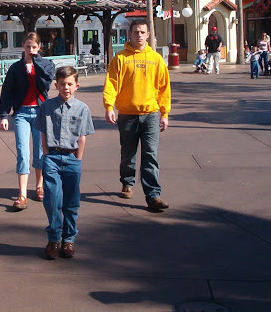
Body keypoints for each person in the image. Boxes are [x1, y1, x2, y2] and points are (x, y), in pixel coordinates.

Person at [103, 19, 171, 211]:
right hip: (127, 114)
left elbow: (164, 88)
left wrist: (164, 113)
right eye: (136, 32)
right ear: (130, 34)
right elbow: (111, 83)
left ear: (148, 35)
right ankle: (127, 182)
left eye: (142, 32)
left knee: (150, 154)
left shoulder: (156, 59)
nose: (139, 35)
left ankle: (153, 195)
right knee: (128, 153)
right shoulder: (120, 58)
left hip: (151, 114)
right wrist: (109, 107)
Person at [34, 66, 94, 260]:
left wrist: (78, 159)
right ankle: (54, 238)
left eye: (69, 84)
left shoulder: (82, 108)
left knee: (71, 202)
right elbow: (43, 132)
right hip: (52, 157)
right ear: (56, 85)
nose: (65, 88)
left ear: (76, 86)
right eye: (62, 84)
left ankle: (69, 238)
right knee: (52, 199)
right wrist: (46, 153)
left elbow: (82, 137)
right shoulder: (47, 106)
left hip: (72, 158)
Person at [0, 32, 55, 210]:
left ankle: (39, 186)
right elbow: (7, 91)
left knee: (40, 151)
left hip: (40, 111)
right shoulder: (15, 68)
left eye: (34, 47)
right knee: (23, 152)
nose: (31, 50)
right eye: (28, 46)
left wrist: (36, 63)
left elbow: (46, 84)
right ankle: (22, 193)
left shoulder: (46, 64)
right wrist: (4, 115)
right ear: (23, 46)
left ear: (39, 48)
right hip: (22, 112)